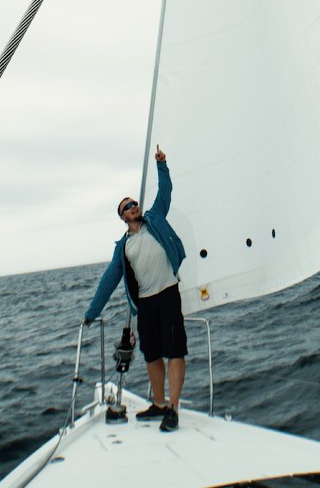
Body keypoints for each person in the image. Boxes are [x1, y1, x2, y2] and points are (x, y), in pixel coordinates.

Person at [84, 145, 187, 432]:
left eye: (134, 203)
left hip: (168, 294)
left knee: (175, 350)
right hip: (145, 303)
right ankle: (159, 403)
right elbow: (108, 281)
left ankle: (174, 410)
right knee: (152, 354)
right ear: (122, 217)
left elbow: (165, 191)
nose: (133, 207)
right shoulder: (124, 247)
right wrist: (91, 314)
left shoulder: (155, 218)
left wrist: (161, 164)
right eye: (127, 206)